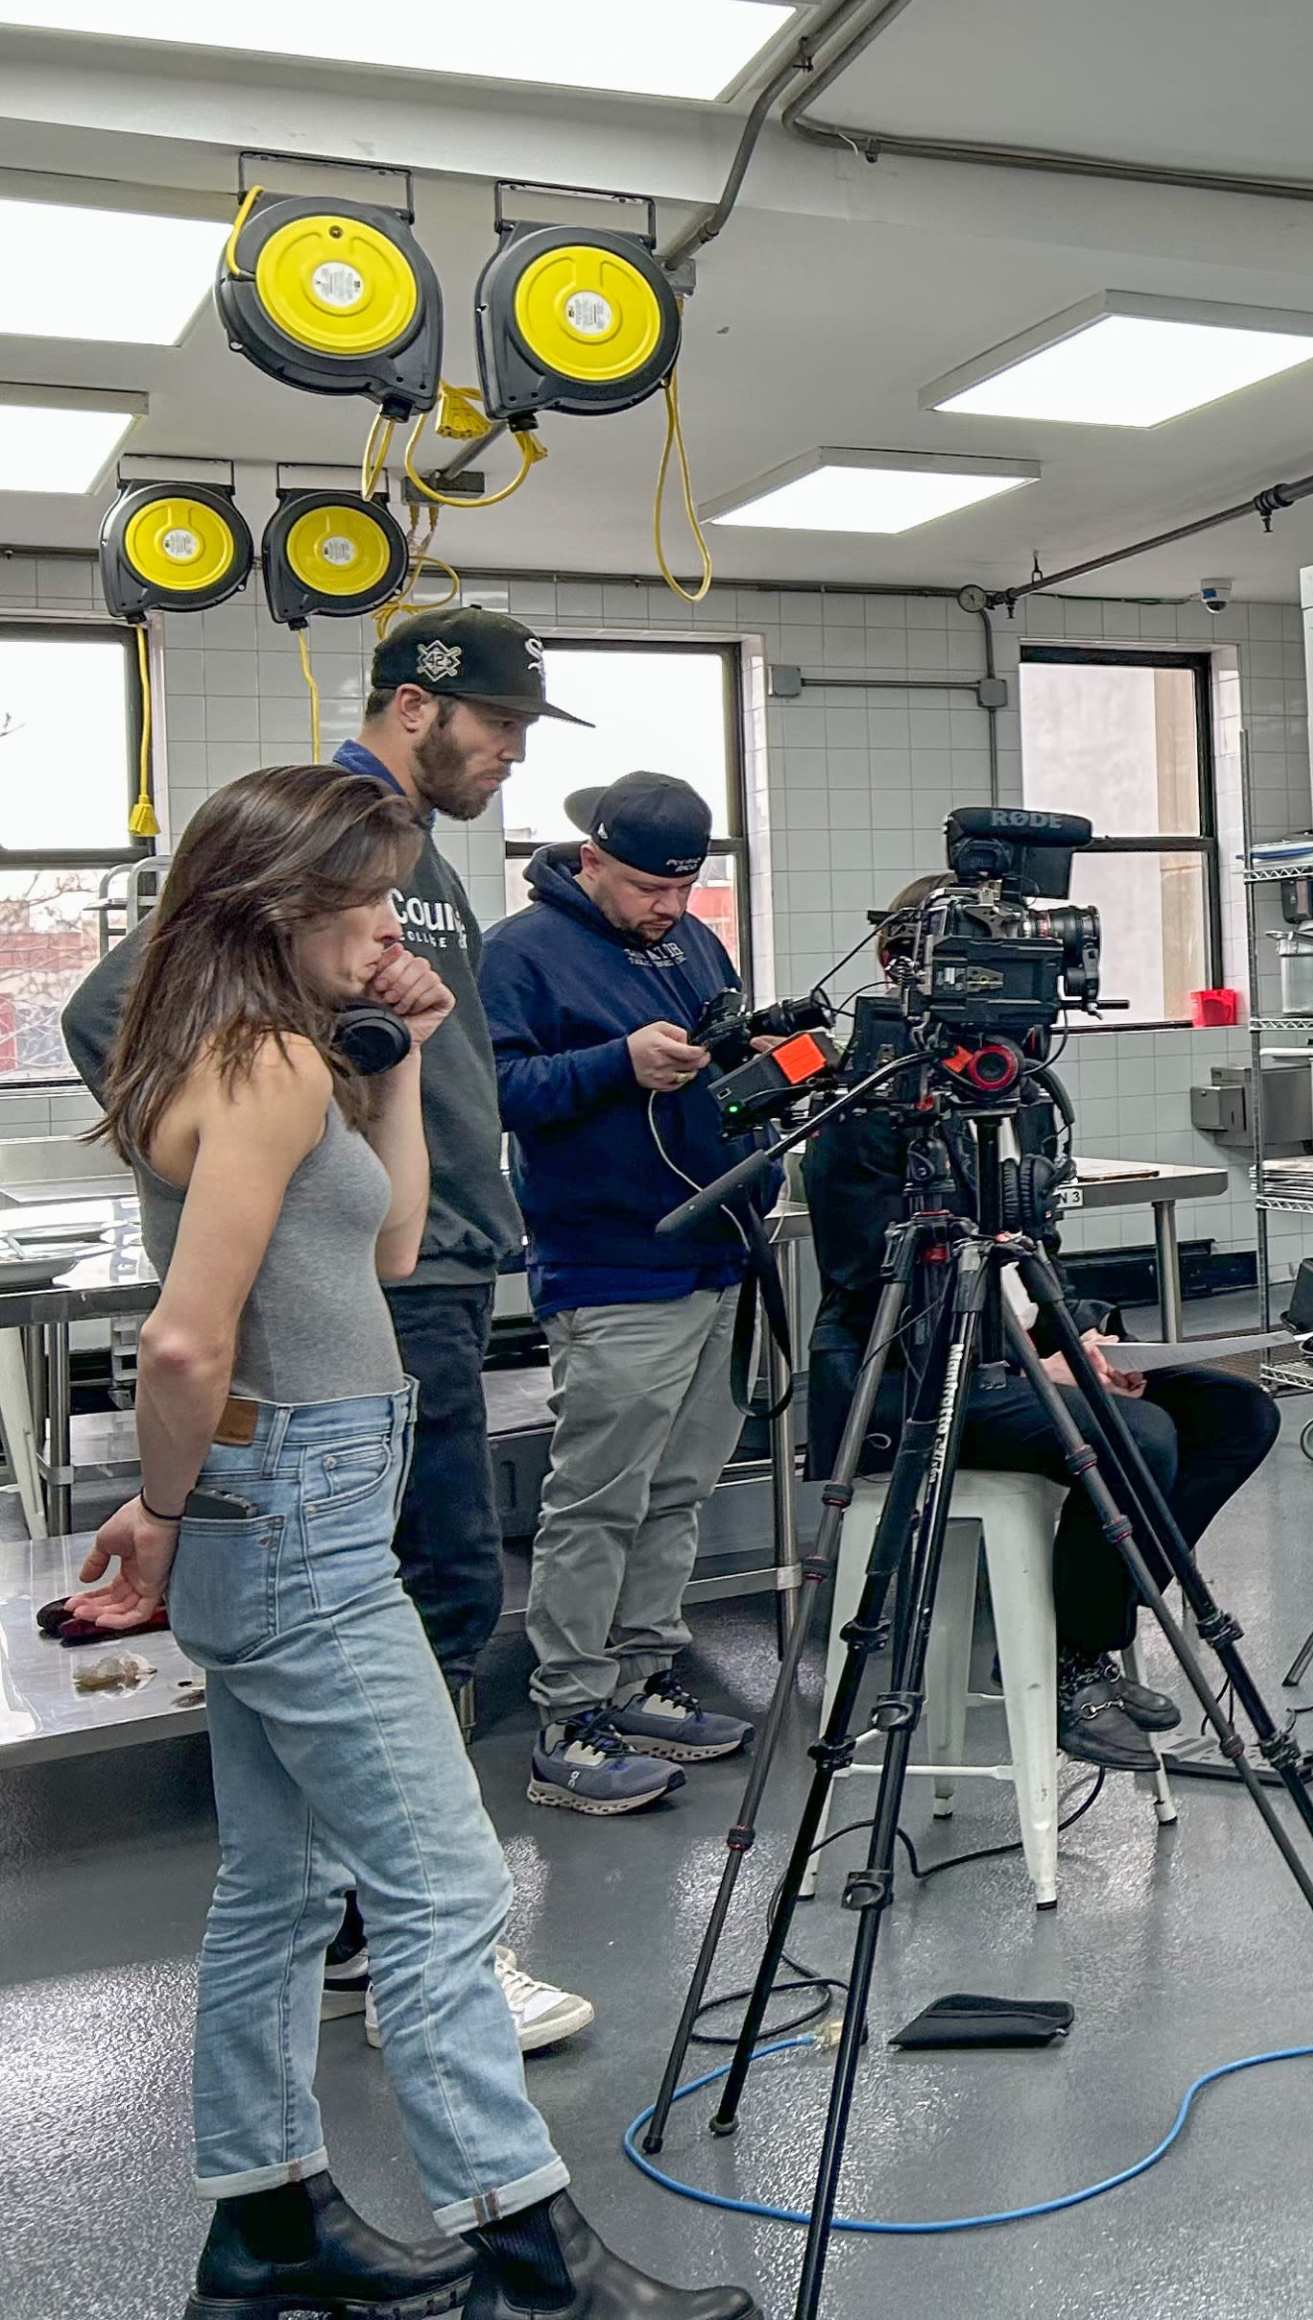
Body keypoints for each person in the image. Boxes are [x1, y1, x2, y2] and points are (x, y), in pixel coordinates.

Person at [73, 765, 753, 2320]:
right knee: (443, 1896)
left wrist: (400, 1065)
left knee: (278, 1891)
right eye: (373, 896)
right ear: (286, 905)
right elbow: (185, 1349)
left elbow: (384, 1247)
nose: (394, 922)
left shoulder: (262, 1055)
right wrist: (167, 1518)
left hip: (289, 1498)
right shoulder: (259, 1067)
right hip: (295, 1515)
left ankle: (268, 2226)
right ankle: (529, 2258)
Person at [60, 604, 593, 2056]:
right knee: (426, 1604)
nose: (511, 753)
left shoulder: (419, 878)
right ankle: (421, 1931)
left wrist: (375, 1094)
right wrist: (234, 1160)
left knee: (434, 1597)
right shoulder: (318, 851)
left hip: (424, 1266)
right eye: (502, 725)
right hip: (362, 1308)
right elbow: (125, 1000)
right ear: (422, 705)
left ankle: (370, 1921)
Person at [801, 877, 1280, 1769]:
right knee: (1135, 1436)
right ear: (909, 968)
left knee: (1236, 1414)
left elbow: (1030, 1257)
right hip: (914, 1384)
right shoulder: (873, 1106)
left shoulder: (1014, 1097)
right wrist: (1034, 1369)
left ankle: (1087, 1629)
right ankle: (1074, 1665)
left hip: (1013, 1356)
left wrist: (1084, 1337)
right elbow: (886, 1291)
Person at [483, 771, 773, 1814]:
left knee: (679, 1489)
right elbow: (494, 1091)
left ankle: (646, 1672)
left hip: (712, 1252)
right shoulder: (517, 955)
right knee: (600, 1498)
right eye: (650, 888)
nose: (669, 909)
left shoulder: (690, 941)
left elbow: (729, 1055)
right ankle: (568, 1712)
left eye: (683, 889)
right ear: (589, 860)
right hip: (610, 1263)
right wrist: (615, 1064)